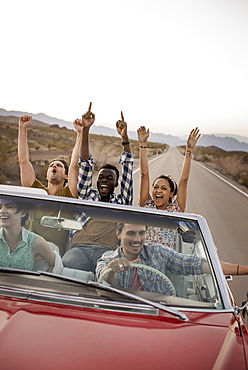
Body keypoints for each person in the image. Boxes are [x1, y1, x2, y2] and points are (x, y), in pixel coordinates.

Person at [62, 106, 134, 273]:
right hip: (81, 249)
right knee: (67, 263)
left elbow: (128, 169)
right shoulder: (88, 196)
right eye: (101, 177)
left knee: (112, 274)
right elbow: (85, 163)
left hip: (107, 252)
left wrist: (124, 138)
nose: (104, 181)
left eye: (110, 179)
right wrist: (86, 129)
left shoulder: (121, 201)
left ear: (116, 184)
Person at [96, 223, 248, 295]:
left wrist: (244, 269)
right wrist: (112, 270)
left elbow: (199, 264)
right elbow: (102, 277)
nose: (137, 239)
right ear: (118, 234)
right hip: (122, 316)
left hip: (162, 316)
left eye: (141, 233)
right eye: (131, 233)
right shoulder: (108, 260)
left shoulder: (159, 252)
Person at [18, 115, 83, 255]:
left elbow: (74, 166)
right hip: (27, 249)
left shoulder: (69, 194)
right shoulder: (36, 190)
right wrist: (22, 129)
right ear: (47, 174)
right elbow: (23, 161)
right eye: (51, 165)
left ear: (66, 176)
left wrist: (80, 133)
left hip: (53, 254)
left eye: (59, 166)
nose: (54, 166)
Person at [137, 126, 201, 248]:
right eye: (156, 187)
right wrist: (143, 144)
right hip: (146, 257)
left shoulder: (176, 210)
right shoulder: (147, 205)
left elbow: (184, 180)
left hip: (167, 260)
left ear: (171, 193)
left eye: (164, 188)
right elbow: (144, 174)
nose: (158, 191)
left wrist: (189, 150)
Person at [0, 200, 55, 272]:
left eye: (9, 207)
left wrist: (39, 282)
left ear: (23, 212)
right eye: (0, 207)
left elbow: (55, 265)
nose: (2, 211)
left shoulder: (36, 242)